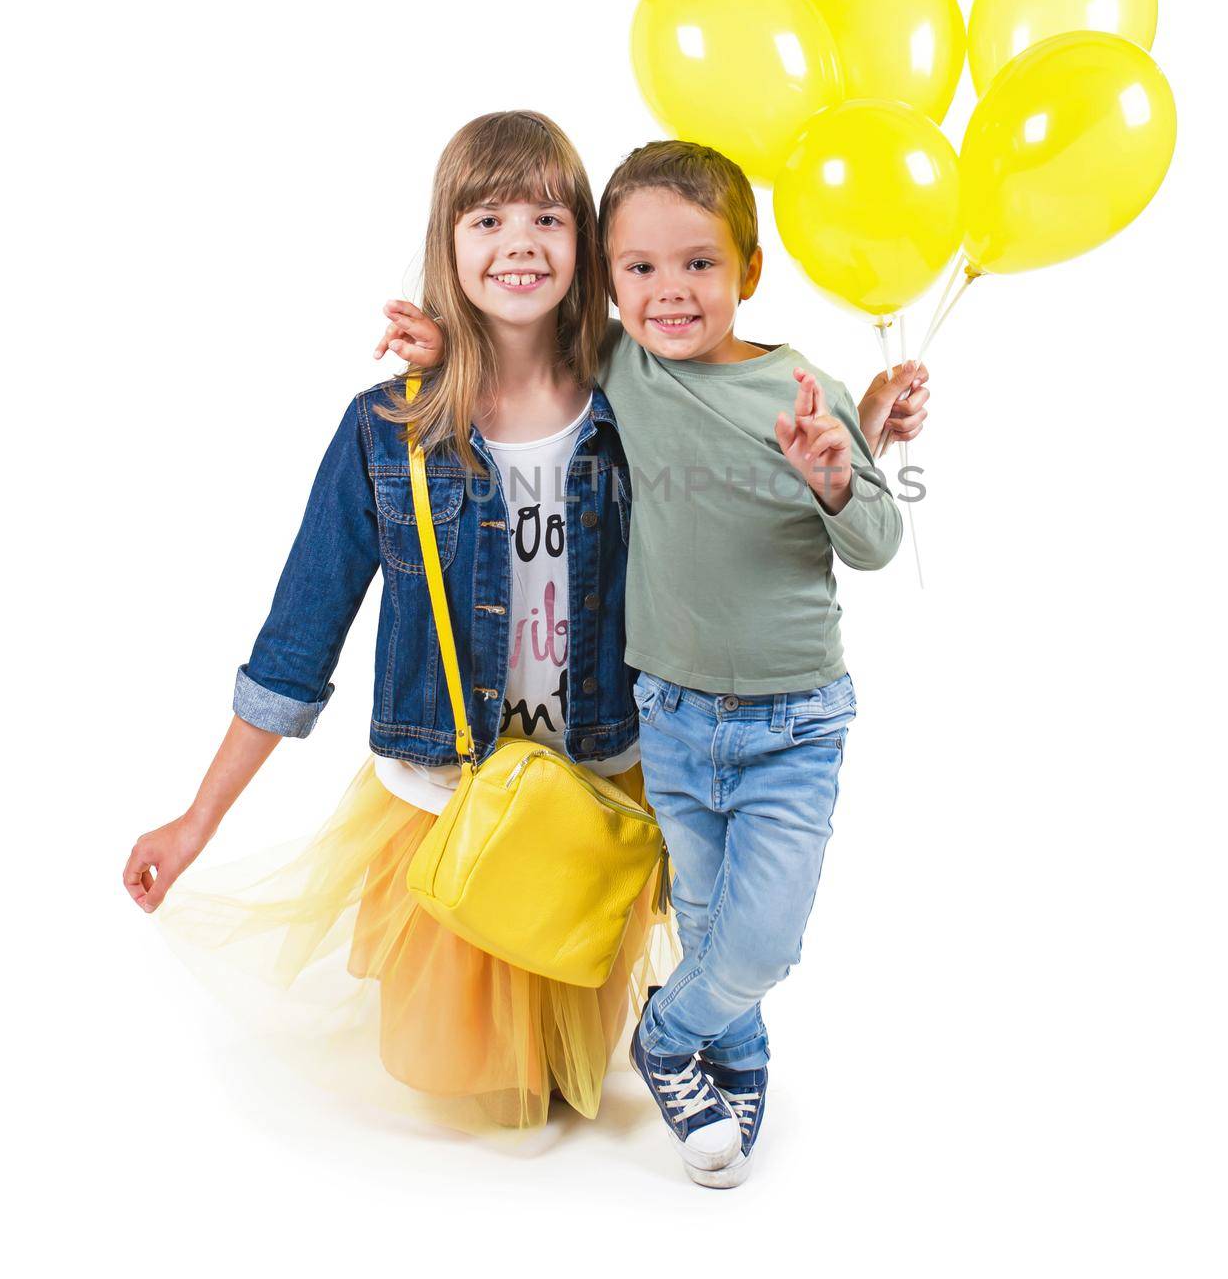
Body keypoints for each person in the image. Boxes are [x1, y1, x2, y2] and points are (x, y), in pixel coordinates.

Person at [123, 111, 670, 1132]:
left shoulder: (635, 403)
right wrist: (198, 819)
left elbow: (733, 411)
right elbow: (299, 637)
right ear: (445, 244)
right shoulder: (390, 429)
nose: (518, 241)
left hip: (591, 794)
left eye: (549, 216)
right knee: (474, 1099)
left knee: (566, 1088)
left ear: (585, 242)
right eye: (486, 216)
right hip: (445, 800)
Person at [396, 137, 926, 1183]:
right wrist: (443, 344)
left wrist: (836, 469)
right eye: (637, 269)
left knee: (765, 938)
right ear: (607, 280)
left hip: (795, 721)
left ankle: (667, 1033)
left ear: (750, 271)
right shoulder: (616, 363)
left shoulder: (802, 385)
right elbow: (520, 335)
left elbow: (874, 544)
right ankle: (732, 1055)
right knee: (707, 918)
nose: (669, 292)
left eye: (699, 264)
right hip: (671, 718)